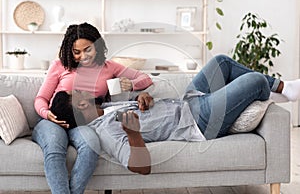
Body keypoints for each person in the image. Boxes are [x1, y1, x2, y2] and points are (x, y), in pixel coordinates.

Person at [49, 54, 300, 176]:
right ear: (80, 106)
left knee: (221, 63)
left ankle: (277, 91)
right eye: (77, 93)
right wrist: (134, 133)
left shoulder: (108, 105)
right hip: (198, 121)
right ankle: (280, 90)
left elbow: (138, 97)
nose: (82, 90)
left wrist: (141, 98)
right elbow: (141, 167)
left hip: (187, 101)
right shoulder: (106, 130)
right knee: (254, 79)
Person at [32, 22, 153, 194]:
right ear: (70, 51)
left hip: (83, 122)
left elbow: (146, 79)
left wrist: (131, 84)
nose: (83, 56)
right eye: (77, 52)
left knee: (91, 145)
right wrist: (47, 114)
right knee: (54, 146)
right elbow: (41, 98)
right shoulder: (59, 66)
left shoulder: (109, 67)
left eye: (88, 49)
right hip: (52, 119)